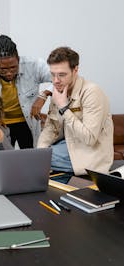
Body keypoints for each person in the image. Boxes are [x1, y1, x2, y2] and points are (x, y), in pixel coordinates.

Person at [37, 46, 113, 175]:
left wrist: (63, 107)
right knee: (34, 157)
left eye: (62, 75)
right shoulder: (59, 91)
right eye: (53, 74)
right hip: (67, 145)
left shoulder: (92, 92)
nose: (56, 81)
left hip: (90, 152)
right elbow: (51, 128)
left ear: (75, 70)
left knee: (34, 160)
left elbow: (89, 139)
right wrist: (39, 153)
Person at [0, 35, 52, 148]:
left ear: (18, 59)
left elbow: (60, 80)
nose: (9, 73)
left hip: (27, 122)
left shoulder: (35, 65)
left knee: (30, 157)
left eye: (13, 67)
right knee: (3, 160)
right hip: (1, 124)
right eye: (3, 69)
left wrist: (44, 95)